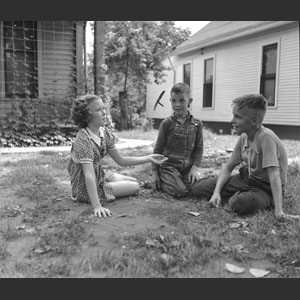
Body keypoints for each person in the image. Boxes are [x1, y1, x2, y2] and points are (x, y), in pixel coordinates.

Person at [192, 93, 300, 221]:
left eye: (237, 117)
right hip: (247, 179)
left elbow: (274, 175)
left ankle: (263, 201)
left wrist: (279, 211)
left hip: (266, 188)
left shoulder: (266, 138)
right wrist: (216, 191)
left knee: (241, 203)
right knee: (198, 189)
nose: (232, 121)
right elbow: (228, 167)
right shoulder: (244, 137)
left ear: (254, 121)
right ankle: (227, 195)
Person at [67, 94, 167, 218]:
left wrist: (149, 158)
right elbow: (88, 174)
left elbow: (121, 160)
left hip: (100, 175)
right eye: (98, 110)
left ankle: (108, 185)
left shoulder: (104, 134)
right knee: (135, 187)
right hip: (85, 187)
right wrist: (97, 206)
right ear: (87, 116)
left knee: (134, 181)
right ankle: (99, 193)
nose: (104, 112)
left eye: (104, 108)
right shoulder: (83, 139)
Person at [151, 82, 204, 197]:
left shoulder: (197, 124)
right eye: (174, 101)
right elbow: (158, 149)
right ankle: (163, 178)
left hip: (187, 168)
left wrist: (194, 168)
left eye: (182, 100)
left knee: (199, 188)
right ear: (170, 101)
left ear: (190, 101)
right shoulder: (166, 124)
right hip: (169, 166)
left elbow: (199, 149)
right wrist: (154, 172)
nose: (177, 105)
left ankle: (179, 181)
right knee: (180, 191)